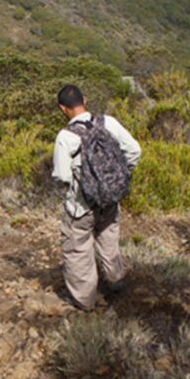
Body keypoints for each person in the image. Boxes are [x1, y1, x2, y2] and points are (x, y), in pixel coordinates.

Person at [52, 84, 141, 310]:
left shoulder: (65, 136)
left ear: (62, 108)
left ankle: (85, 300)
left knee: (78, 248)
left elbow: (62, 175)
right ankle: (115, 279)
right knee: (108, 237)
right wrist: (117, 177)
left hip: (82, 206)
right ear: (86, 99)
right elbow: (134, 151)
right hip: (110, 198)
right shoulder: (108, 123)